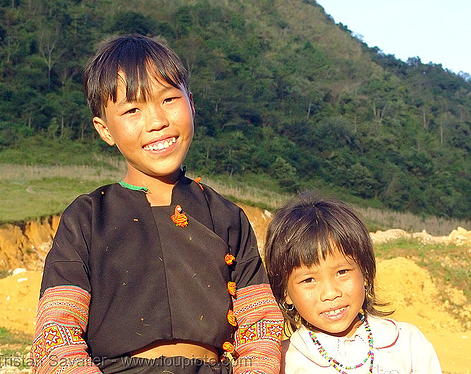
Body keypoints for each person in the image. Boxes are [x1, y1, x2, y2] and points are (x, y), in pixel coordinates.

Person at [31, 34, 283, 374]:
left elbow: (260, 325)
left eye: (168, 100)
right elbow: (57, 330)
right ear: (105, 130)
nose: (156, 122)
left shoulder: (227, 217)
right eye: (133, 109)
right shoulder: (88, 218)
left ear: (191, 104)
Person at [263, 192, 442, 374]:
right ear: (285, 292)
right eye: (309, 280)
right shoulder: (283, 361)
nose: (331, 293)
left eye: (342, 272)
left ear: (365, 272)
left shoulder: (407, 343)